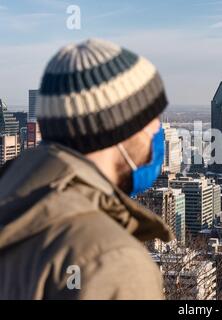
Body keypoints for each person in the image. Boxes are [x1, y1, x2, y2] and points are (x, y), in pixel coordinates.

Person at [0, 39, 173, 299]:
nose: (157, 131)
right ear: (118, 129)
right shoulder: (110, 262)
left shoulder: (14, 206)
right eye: (152, 119)